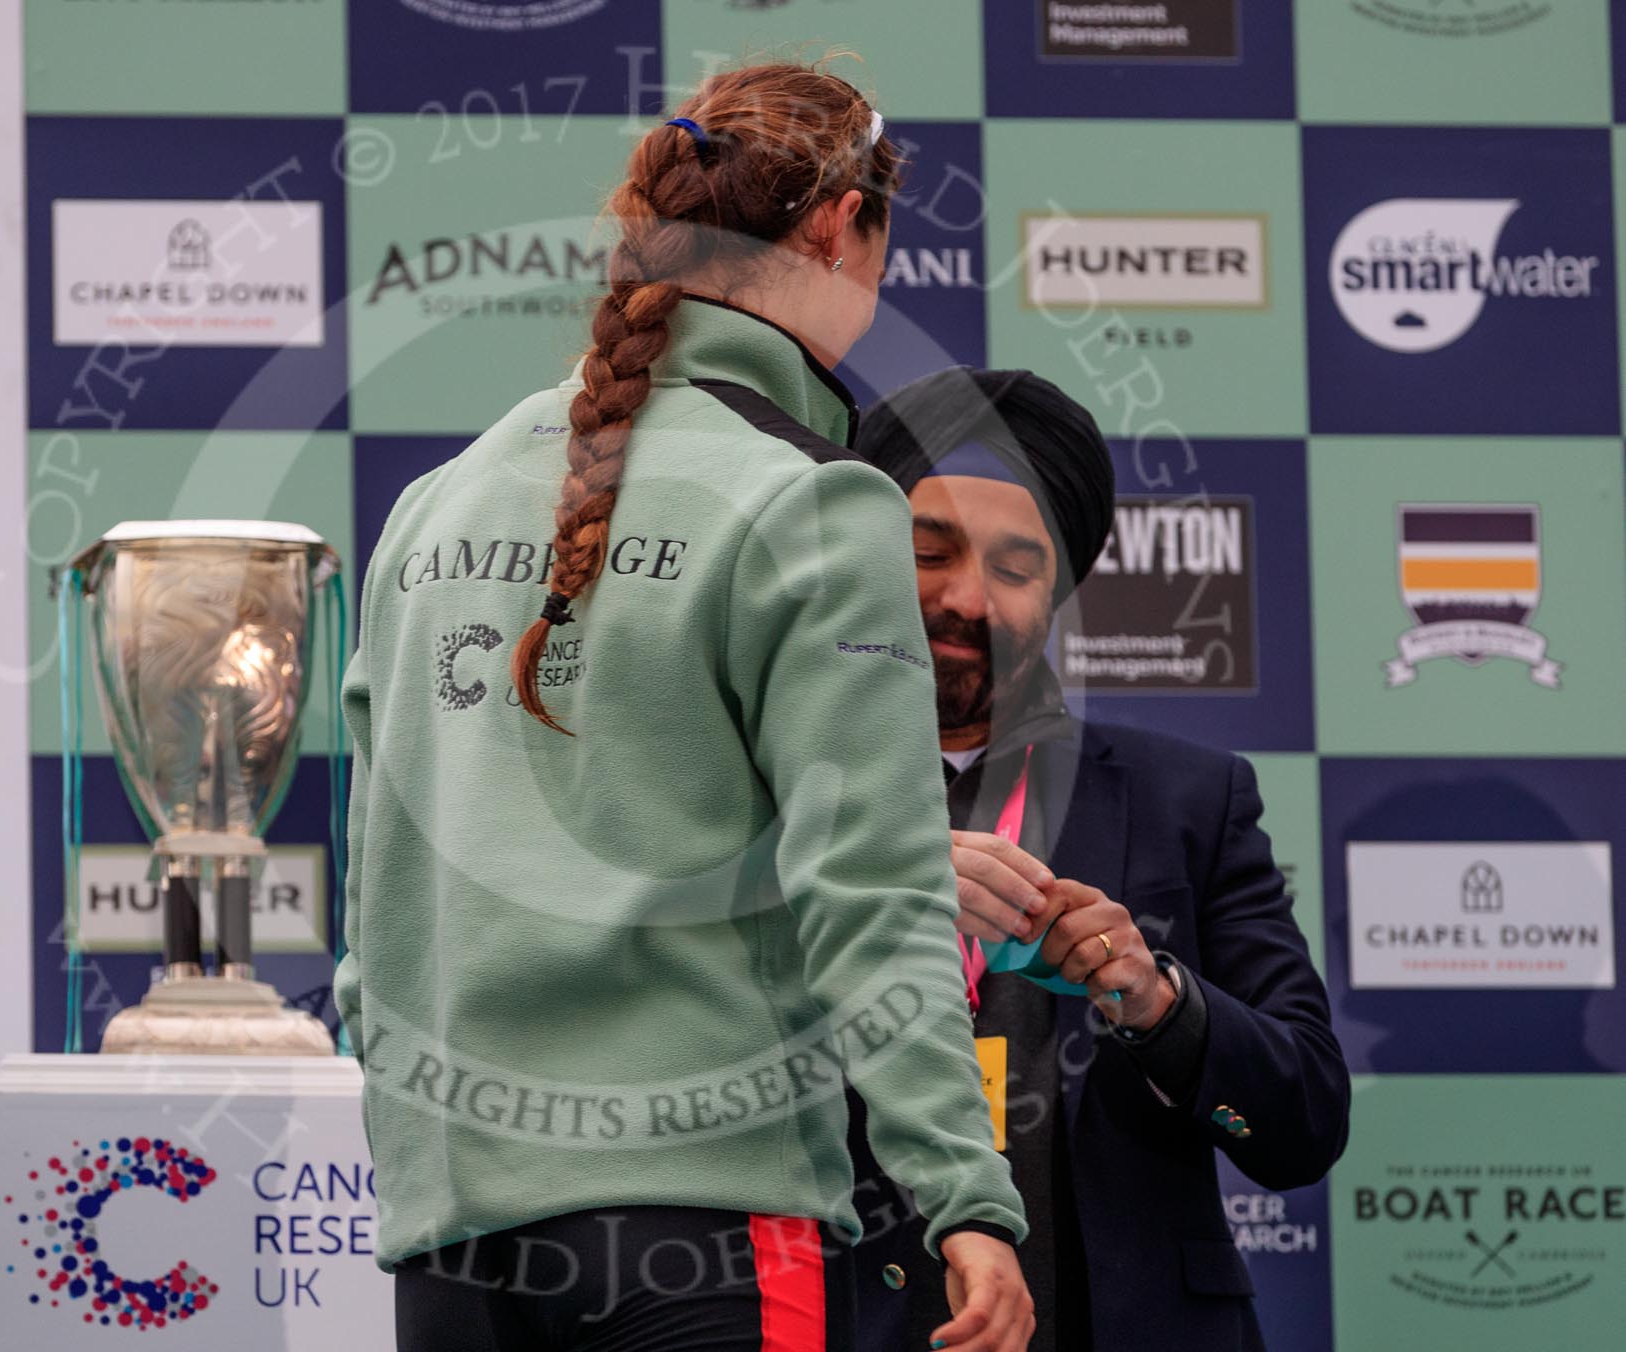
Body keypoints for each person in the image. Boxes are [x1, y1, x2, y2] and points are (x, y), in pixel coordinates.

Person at [335, 61, 1035, 1352]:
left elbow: (371, 891)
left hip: (450, 1246)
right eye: (885, 242)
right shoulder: (817, 501)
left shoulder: (433, 501)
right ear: (836, 227)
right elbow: (876, 893)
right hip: (700, 1224)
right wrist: (966, 1195)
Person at [844, 368, 1350, 1351]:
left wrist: (1159, 1001)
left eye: (1016, 566)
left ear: (1060, 590)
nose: (964, 596)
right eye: (925, 551)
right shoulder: (764, 804)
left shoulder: (1189, 799)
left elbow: (1305, 1121)